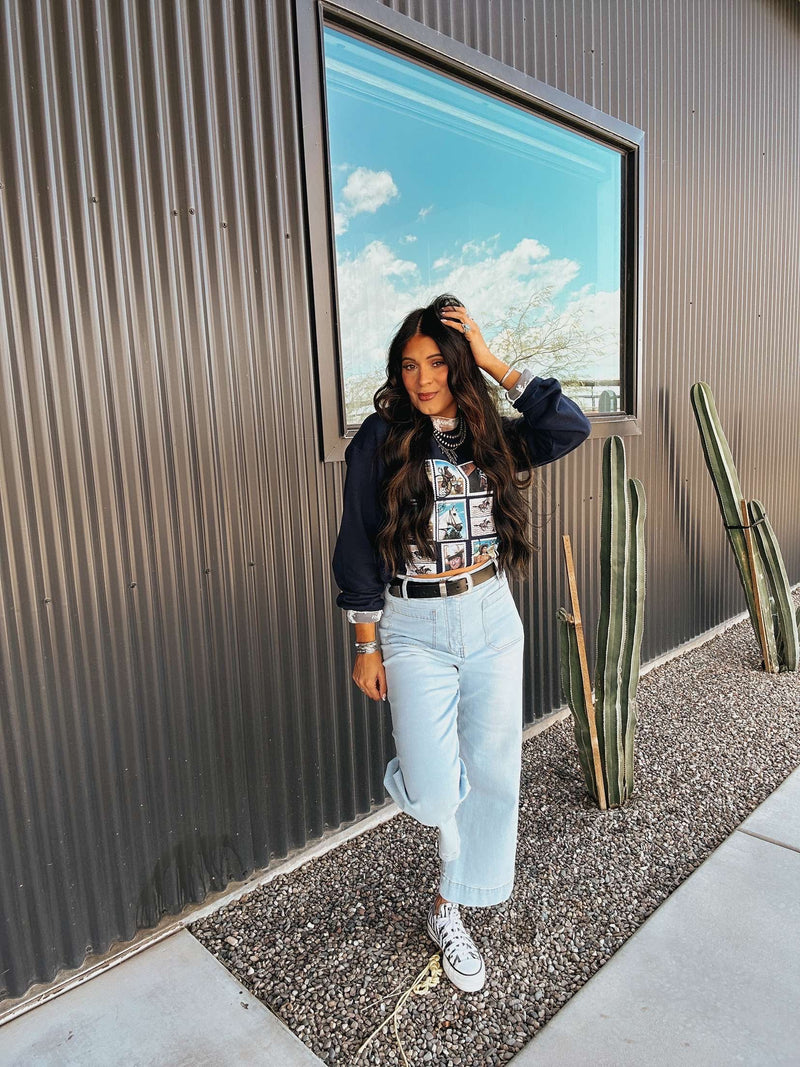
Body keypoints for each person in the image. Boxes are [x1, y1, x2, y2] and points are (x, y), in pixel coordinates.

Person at [332, 292, 591, 993]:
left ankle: (451, 907)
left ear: (457, 363)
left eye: (437, 363)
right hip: (412, 625)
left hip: (489, 615)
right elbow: (357, 539)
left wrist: (492, 359)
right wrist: (365, 641)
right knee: (434, 791)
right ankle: (432, 783)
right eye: (409, 365)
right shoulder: (381, 438)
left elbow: (568, 425)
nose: (422, 379)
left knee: (496, 772)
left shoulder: (488, 434)